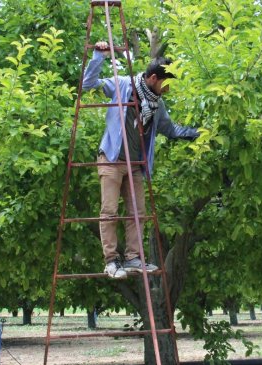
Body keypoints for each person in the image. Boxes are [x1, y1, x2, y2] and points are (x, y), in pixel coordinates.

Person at [82, 41, 199, 279]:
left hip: (135, 164)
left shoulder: (157, 104)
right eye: (166, 84)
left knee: (138, 212)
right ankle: (111, 261)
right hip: (113, 159)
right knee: (110, 211)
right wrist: (99, 56)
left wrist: (200, 133)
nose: (168, 89)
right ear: (154, 78)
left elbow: (171, 130)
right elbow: (88, 84)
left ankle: (133, 258)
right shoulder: (123, 84)